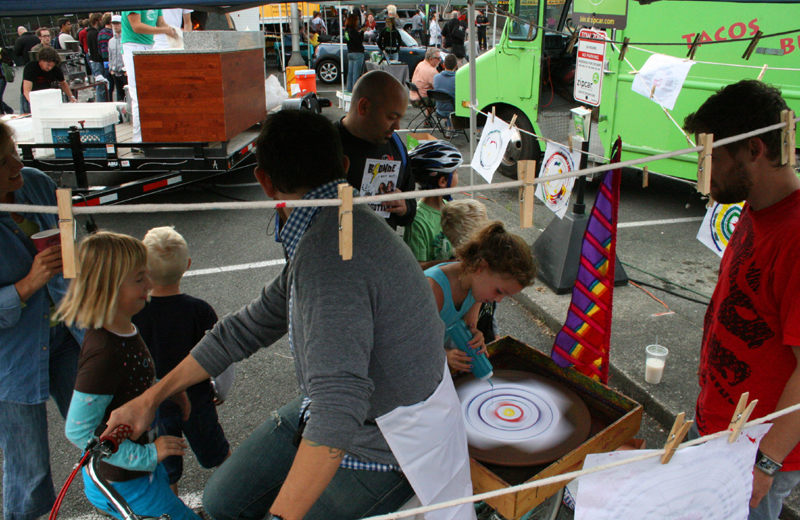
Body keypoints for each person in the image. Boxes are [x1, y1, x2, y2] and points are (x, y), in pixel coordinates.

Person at [101, 109, 476, 520]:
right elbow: (251, 324)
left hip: (391, 437)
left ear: (263, 181)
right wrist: (151, 397)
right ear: (345, 167)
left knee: (263, 507)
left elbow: (340, 405)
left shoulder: (330, 249)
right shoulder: (333, 222)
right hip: (344, 408)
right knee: (221, 501)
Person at [683, 79, 800, 520]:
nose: (702, 168)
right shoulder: (755, 207)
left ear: (755, 150)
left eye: (711, 155)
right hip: (717, 421)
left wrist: (765, 463)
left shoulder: (796, 235)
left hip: (753, 456)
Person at [60, 232, 200, 520]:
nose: (150, 284)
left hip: (138, 467)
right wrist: (147, 456)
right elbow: (78, 430)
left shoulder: (123, 328)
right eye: (139, 279)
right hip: (123, 479)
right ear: (107, 288)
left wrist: (164, 389)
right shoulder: (103, 353)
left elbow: (132, 381)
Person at [0, 120, 83, 520]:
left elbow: (72, 239)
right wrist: (28, 284)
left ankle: (129, 502)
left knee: (102, 430)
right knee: (29, 468)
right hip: (12, 359)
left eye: (13, 150)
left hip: (68, 337)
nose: (16, 163)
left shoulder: (33, 181)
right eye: (2, 161)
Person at [132, 226, 231, 494]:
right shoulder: (199, 310)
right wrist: (220, 390)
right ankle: (237, 494)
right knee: (218, 453)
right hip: (198, 400)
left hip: (154, 407)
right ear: (187, 265)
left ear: (143, 269)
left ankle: (173, 510)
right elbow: (222, 357)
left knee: (166, 467)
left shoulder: (134, 313)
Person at [425, 221, 535, 372]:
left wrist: (476, 338)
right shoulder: (434, 290)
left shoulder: (476, 291)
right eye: (499, 291)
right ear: (481, 267)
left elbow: (469, 327)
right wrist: (445, 355)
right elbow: (410, 342)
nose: (499, 300)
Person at [336, 70, 417, 230]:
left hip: (381, 250)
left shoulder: (396, 146)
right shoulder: (325, 145)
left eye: (400, 119)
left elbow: (410, 204)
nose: (397, 127)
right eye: (392, 118)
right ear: (363, 107)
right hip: (334, 251)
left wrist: (404, 207)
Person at [439, 200, 497, 344]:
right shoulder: (472, 275)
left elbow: (472, 324)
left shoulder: (477, 273)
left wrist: (490, 334)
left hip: (478, 331)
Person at [121, 10, 177, 142]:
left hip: (149, 46)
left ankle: (153, 135)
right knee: (139, 95)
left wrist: (175, 32)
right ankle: (139, 141)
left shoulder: (155, 4)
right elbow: (137, 26)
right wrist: (165, 30)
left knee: (152, 94)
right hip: (132, 46)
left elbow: (161, 22)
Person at [403, 140, 461, 266]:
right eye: (456, 172)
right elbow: (418, 266)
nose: (458, 176)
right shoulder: (418, 221)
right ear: (443, 181)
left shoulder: (451, 206)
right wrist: (451, 264)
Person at [21, 47, 77, 114]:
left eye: (52, 66)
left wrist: (71, 96)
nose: (50, 68)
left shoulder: (56, 69)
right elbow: (26, 90)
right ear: (41, 60)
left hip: (45, 95)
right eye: (48, 65)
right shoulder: (31, 67)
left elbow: (63, 84)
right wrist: (33, 104)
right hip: (30, 96)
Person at [433, 53, 458, 133]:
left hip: (440, 108)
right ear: (456, 66)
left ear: (443, 65)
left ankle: (449, 127)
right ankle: (478, 130)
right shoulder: (458, 79)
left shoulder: (436, 77)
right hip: (453, 110)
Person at [87, 13, 107, 102]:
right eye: (100, 19)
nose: (102, 21)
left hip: (93, 61)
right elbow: (97, 49)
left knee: (100, 85)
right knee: (101, 86)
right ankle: (101, 102)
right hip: (97, 61)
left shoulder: (89, 32)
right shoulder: (95, 33)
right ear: (96, 20)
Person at [108, 15, 128, 102]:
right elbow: (110, 55)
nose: (115, 26)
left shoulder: (126, 39)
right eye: (114, 24)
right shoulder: (111, 41)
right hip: (115, 72)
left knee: (128, 95)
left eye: (117, 24)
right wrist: (111, 69)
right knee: (119, 96)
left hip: (124, 72)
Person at [343, 13, 365, 93]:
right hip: (357, 53)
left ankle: (349, 90)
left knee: (350, 74)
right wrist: (362, 32)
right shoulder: (353, 30)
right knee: (356, 74)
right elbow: (359, 41)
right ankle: (355, 92)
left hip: (350, 52)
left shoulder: (346, 30)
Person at [97, 14, 115, 102]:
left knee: (109, 88)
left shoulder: (100, 33)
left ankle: (109, 102)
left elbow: (99, 49)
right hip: (112, 62)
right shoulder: (112, 33)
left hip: (104, 62)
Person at [0, 48, 14, 115]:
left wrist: (1, 59)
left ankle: (2, 115)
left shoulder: (1, 51)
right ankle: (8, 109)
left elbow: (10, 62)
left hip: (1, 77)